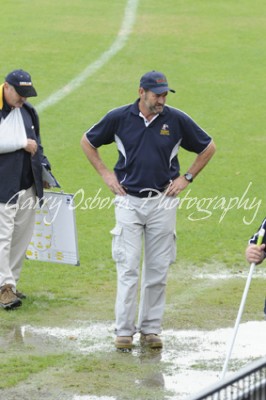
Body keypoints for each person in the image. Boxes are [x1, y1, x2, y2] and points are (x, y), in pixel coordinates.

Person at [80, 70, 216, 350]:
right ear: (141, 92)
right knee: (128, 268)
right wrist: (106, 174)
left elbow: (208, 147)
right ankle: (124, 332)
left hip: (163, 202)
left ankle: (151, 329)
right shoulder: (119, 117)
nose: (162, 100)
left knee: (157, 269)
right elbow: (88, 142)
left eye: (165, 94)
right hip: (128, 202)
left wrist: (186, 178)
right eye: (157, 94)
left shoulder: (176, 120)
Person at [0, 69, 51, 310]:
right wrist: (21, 143)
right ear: (7, 87)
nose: (24, 99)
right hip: (2, 185)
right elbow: (26, 143)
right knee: (2, 237)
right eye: (20, 94)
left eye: (27, 94)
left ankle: (11, 283)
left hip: (27, 183)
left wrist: (44, 171)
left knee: (21, 236)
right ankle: (3, 287)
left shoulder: (28, 111)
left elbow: (36, 143)